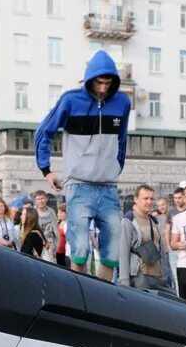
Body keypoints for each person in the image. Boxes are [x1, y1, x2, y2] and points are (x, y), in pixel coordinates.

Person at [34, 50, 130, 282]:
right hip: (79, 185)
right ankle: (83, 295)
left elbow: (122, 139)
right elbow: (43, 132)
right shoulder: (71, 100)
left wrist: (117, 167)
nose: (104, 88)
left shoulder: (122, 102)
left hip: (108, 186)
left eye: (108, 83)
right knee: (79, 249)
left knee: (111, 250)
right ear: (90, 79)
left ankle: (104, 298)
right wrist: (46, 169)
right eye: (99, 82)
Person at [119, 184, 170, 291]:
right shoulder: (128, 221)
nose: (149, 202)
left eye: (152, 198)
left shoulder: (155, 221)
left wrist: (165, 275)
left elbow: (162, 251)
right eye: (145, 198)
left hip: (158, 276)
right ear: (136, 199)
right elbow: (123, 252)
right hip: (140, 276)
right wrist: (124, 282)